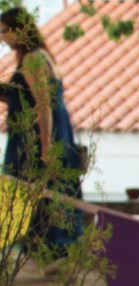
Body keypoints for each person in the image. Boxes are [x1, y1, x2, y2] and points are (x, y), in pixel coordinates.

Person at [1, 6, 84, 265]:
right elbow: (21, 95)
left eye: (5, 32)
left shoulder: (35, 59)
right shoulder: (33, 58)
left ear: (19, 31)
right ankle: (44, 254)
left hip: (40, 138)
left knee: (41, 193)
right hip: (35, 135)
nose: (2, 38)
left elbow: (43, 104)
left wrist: (46, 149)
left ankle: (57, 252)